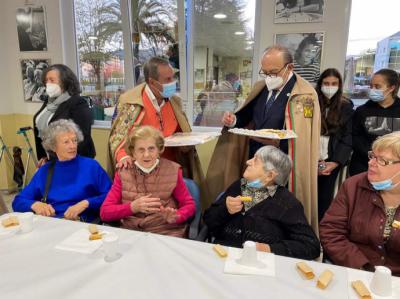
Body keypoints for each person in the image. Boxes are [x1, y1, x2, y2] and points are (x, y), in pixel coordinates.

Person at [208, 45, 320, 230]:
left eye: (274, 72)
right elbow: (248, 116)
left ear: (289, 68)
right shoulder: (261, 88)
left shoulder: (304, 95)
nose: (269, 77)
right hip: (257, 157)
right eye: (265, 72)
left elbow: (304, 137)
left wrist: (279, 142)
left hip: (284, 164)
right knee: (253, 209)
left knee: (280, 214)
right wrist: (233, 119)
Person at [108, 57, 205, 203]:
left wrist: (186, 145)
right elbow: (118, 138)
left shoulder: (174, 102)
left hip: (169, 172)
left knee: (172, 209)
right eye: (168, 79)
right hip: (141, 174)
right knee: (144, 212)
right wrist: (123, 157)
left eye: (173, 77)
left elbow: (182, 133)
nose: (173, 82)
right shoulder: (130, 102)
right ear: (152, 82)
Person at [204, 145, 320, 259]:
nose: (248, 162)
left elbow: (311, 246)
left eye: (256, 161)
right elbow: (208, 220)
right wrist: (225, 209)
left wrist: (270, 249)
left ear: (269, 175)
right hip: (223, 255)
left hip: (260, 263)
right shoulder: (239, 186)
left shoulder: (287, 203)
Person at [320, 132, 400, 276]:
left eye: (382, 160)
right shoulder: (353, 186)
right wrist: (363, 268)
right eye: (372, 156)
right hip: (355, 272)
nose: (371, 163)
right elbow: (331, 232)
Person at [101, 126, 195, 237]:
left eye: (151, 149)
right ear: (133, 152)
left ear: (159, 150)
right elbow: (105, 213)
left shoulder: (173, 170)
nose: (146, 155)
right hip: (131, 232)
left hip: (165, 231)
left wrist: (177, 216)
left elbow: (189, 205)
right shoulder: (123, 173)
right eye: (141, 150)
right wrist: (132, 207)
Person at [12, 120, 111, 222]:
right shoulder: (45, 171)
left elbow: (110, 195)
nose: (72, 146)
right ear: (53, 146)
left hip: (83, 224)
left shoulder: (91, 166)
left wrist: (86, 203)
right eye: (66, 142)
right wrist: (35, 205)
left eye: (74, 140)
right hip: (52, 224)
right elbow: (18, 201)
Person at [33, 64, 96, 164]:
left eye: (52, 80)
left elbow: (83, 137)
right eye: (46, 80)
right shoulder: (48, 101)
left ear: (65, 82)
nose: (48, 84)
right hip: (52, 160)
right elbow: (42, 133)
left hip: (74, 161)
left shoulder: (78, 103)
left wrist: (67, 160)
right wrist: (44, 157)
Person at [316, 68, 353, 221]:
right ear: (320, 84)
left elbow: (348, 136)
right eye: (326, 83)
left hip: (331, 159)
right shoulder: (311, 102)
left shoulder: (346, 105)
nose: (330, 87)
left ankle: (320, 233)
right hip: (310, 158)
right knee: (306, 196)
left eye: (334, 83)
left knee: (325, 199)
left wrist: (336, 162)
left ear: (339, 85)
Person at [349, 69, 400, 176]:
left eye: (377, 86)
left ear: (392, 87)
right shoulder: (362, 110)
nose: (372, 90)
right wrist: (370, 153)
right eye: (371, 86)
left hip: (393, 166)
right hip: (363, 166)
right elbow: (354, 135)